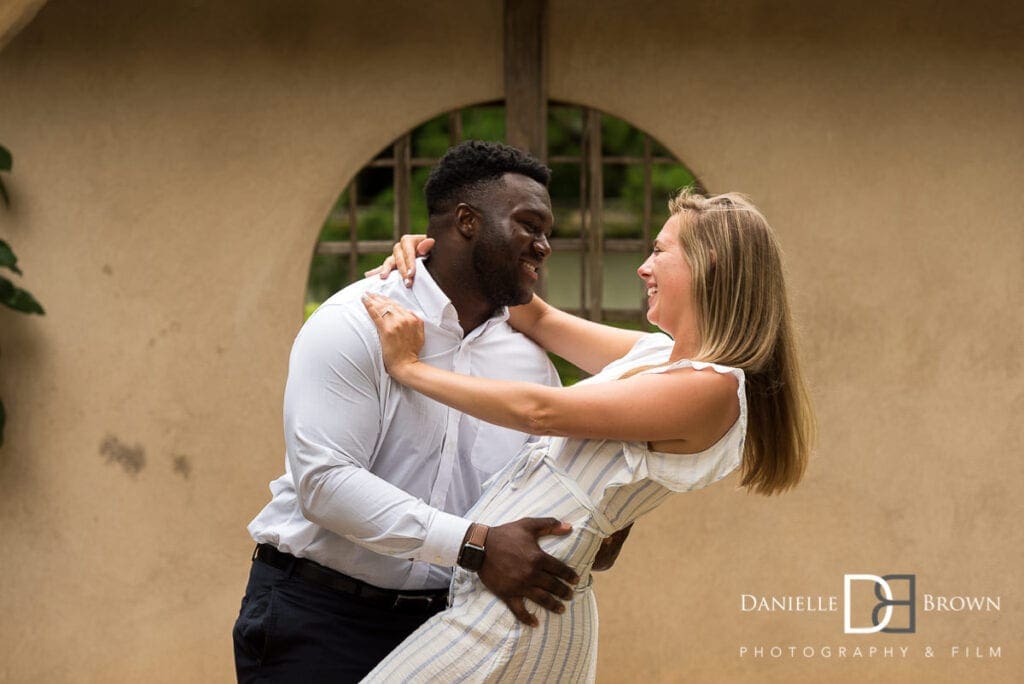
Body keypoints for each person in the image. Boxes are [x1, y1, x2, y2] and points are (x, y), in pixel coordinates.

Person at [358, 188, 814, 682]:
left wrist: (408, 367)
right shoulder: (655, 356)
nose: (643, 267)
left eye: (659, 251)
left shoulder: (711, 389)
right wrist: (441, 255)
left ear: (710, 263)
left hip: (514, 620)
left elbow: (541, 412)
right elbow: (537, 316)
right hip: (507, 605)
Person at [233, 141, 629, 683]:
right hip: (321, 617)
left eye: (546, 233)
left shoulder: (529, 364)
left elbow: (534, 492)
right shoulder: (355, 321)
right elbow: (324, 484)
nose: (543, 246)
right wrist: (475, 544)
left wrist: (595, 526)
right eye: (529, 225)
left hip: (450, 628)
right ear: (466, 221)